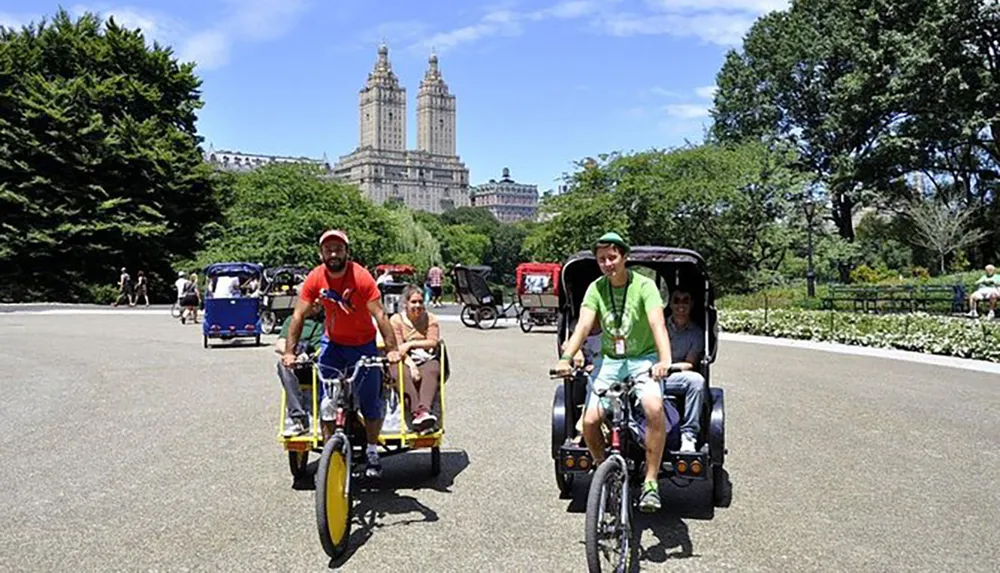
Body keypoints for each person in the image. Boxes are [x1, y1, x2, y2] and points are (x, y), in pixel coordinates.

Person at [554, 232, 673, 513]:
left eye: (612, 257)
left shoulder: (644, 286)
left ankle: (651, 483)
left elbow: (658, 324)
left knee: (654, 408)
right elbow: (583, 325)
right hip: (610, 361)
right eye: (601, 259)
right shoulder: (596, 288)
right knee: (590, 421)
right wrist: (566, 357)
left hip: (643, 359)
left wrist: (664, 359)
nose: (607, 264)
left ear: (624, 257)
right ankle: (602, 470)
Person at [282, 229, 402, 479]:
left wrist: (391, 350)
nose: (333, 254)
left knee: (370, 401)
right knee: (327, 401)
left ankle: (371, 451)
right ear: (321, 253)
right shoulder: (316, 278)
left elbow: (380, 315)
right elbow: (298, 315)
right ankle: (330, 457)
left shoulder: (361, 276)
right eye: (328, 249)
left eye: (338, 249)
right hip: (333, 346)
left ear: (347, 252)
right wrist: (289, 353)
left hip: (362, 346)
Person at [389, 284, 443, 433]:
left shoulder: (430, 318)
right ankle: (416, 411)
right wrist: (411, 365)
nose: (417, 305)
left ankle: (425, 410)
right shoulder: (396, 320)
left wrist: (411, 344)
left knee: (433, 369)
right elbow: (398, 348)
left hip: (425, 356)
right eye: (413, 302)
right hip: (403, 358)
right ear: (406, 303)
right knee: (400, 372)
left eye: (420, 302)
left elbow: (432, 342)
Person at [663, 288, 707, 453]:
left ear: (691, 304)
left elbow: (690, 363)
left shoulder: (696, 333)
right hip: (651, 376)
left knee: (696, 381)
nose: (681, 305)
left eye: (685, 300)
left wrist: (669, 367)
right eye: (676, 300)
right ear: (671, 304)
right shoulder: (658, 326)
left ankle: (688, 435)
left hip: (675, 377)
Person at [275, 300, 326, 437]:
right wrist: (291, 354)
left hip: (319, 363)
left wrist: (311, 356)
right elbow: (280, 344)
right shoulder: (292, 320)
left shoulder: (326, 321)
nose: (316, 304)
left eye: (318, 302)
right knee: (283, 365)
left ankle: (330, 418)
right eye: (312, 301)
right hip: (298, 362)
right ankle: (299, 420)